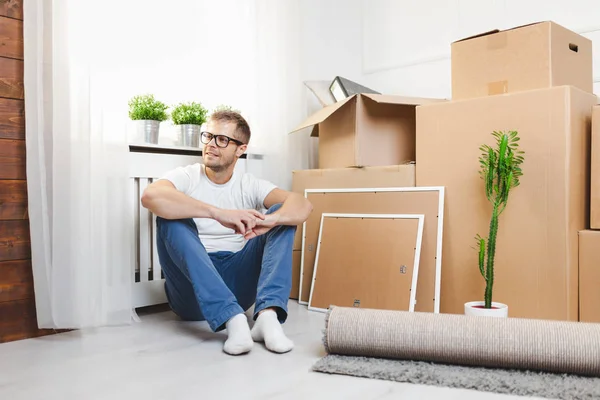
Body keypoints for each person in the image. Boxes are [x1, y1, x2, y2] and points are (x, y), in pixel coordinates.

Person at [141, 110, 312, 356]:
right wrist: (217, 213)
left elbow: (302, 204)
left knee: (282, 213)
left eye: (221, 139)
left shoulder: (249, 184)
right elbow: (150, 196)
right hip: (191, 290)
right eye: (208, 136)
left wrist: (271, 220)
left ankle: (267, 317)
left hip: (238, 284)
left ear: (240, 149)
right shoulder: (187, 176)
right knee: (170, 218)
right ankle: (234, 319)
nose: (211, 144)